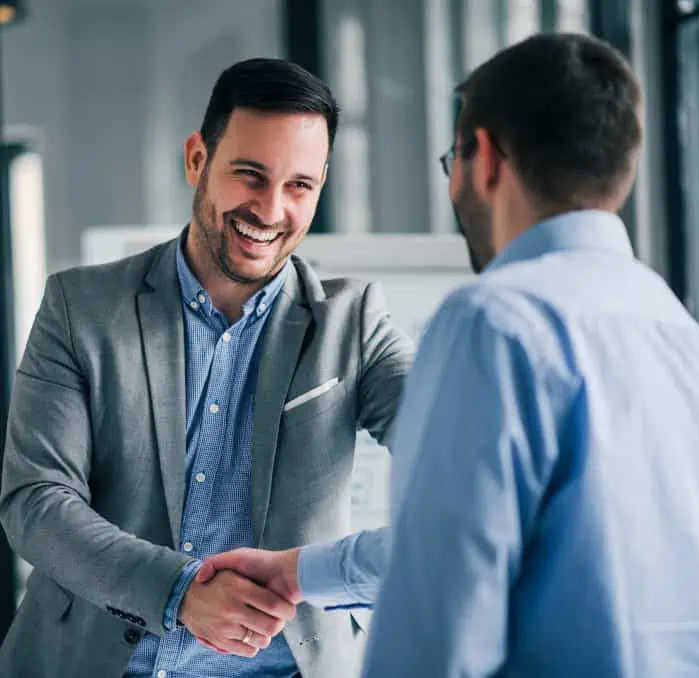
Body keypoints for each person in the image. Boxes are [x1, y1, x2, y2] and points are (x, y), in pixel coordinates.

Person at [199, 33, 699, 678]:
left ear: (485, 159)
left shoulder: (495, 322)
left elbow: (439, 612)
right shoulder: (683, 337)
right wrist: (300, 572)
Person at [0, 58, 412, 678]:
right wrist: (181, 592)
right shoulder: (80, 307)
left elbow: (460, 466)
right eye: (250, 175)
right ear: (198, 159)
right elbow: (35, 501)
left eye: (300, 186)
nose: (271, 210)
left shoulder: (354, 323)